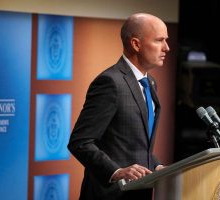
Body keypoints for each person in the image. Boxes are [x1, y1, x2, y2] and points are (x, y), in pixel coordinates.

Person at [68, 13, 170, 200]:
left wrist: (156, 166)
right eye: (159, 40)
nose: (167, 48)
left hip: (140, 192)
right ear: (136, 44)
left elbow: (135, 145)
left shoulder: (151, 83)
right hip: (109, 194)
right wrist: (116, 172)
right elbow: (80, 142)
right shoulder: (110, 82)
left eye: (166, 40)